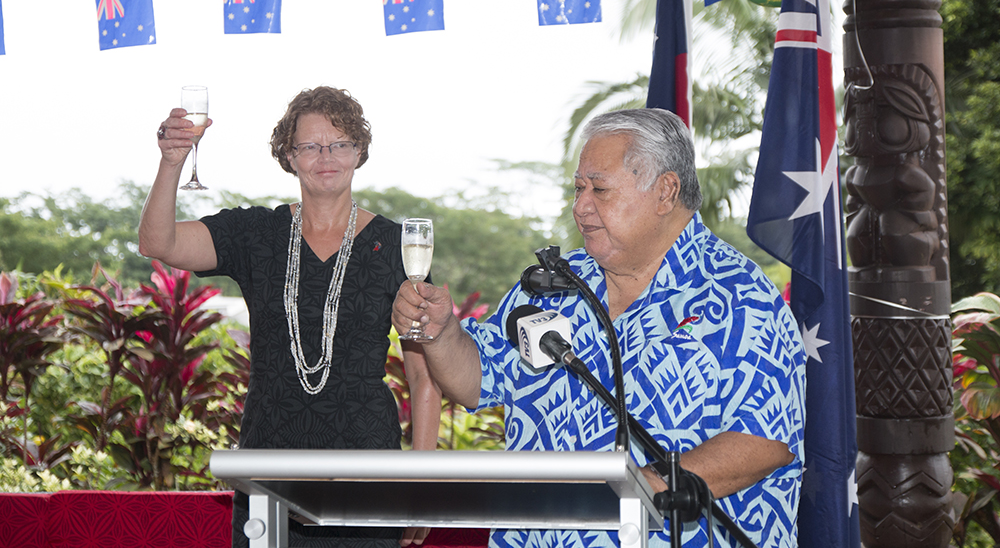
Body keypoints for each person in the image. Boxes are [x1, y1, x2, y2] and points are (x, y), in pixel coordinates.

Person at [392, 108, 806, 548]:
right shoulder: (553, 285)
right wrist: (441, 333)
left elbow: (765, 441)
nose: (580, 206)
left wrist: (641, 491)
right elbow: (476, 381)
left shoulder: (738, 294)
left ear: (665, 191)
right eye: (578, 188)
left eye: (600, 189)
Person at [139, 86, 442, 548]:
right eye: (310, 146)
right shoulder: (255, 234)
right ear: (288, 155)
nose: (327, 156)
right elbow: (157, 243)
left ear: (359, 151)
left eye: (340, 143)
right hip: (268, 474)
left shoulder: (399, 246)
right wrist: (171, 162)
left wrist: (421, 483)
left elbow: (424, 377)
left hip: (366, 472)